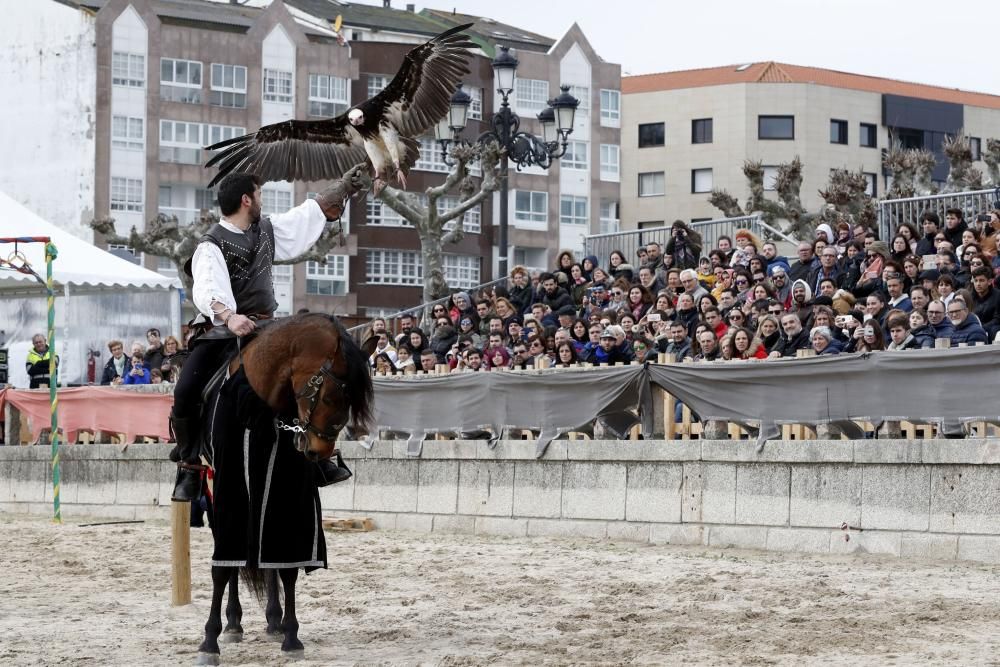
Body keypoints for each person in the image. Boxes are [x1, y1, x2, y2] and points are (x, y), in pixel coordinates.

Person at [169, 169, 358, 502]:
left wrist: (344, 186)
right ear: (246, 199)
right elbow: (207, 288)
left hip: (266, 326)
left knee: (310, 377)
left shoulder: (266, 229)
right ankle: (189, 467)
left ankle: (318, 456)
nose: (261, 200)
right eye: (258, 194)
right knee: (185, 391)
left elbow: (306, 215)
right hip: (221, 330)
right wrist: (229, 316)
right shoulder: (211, 245)